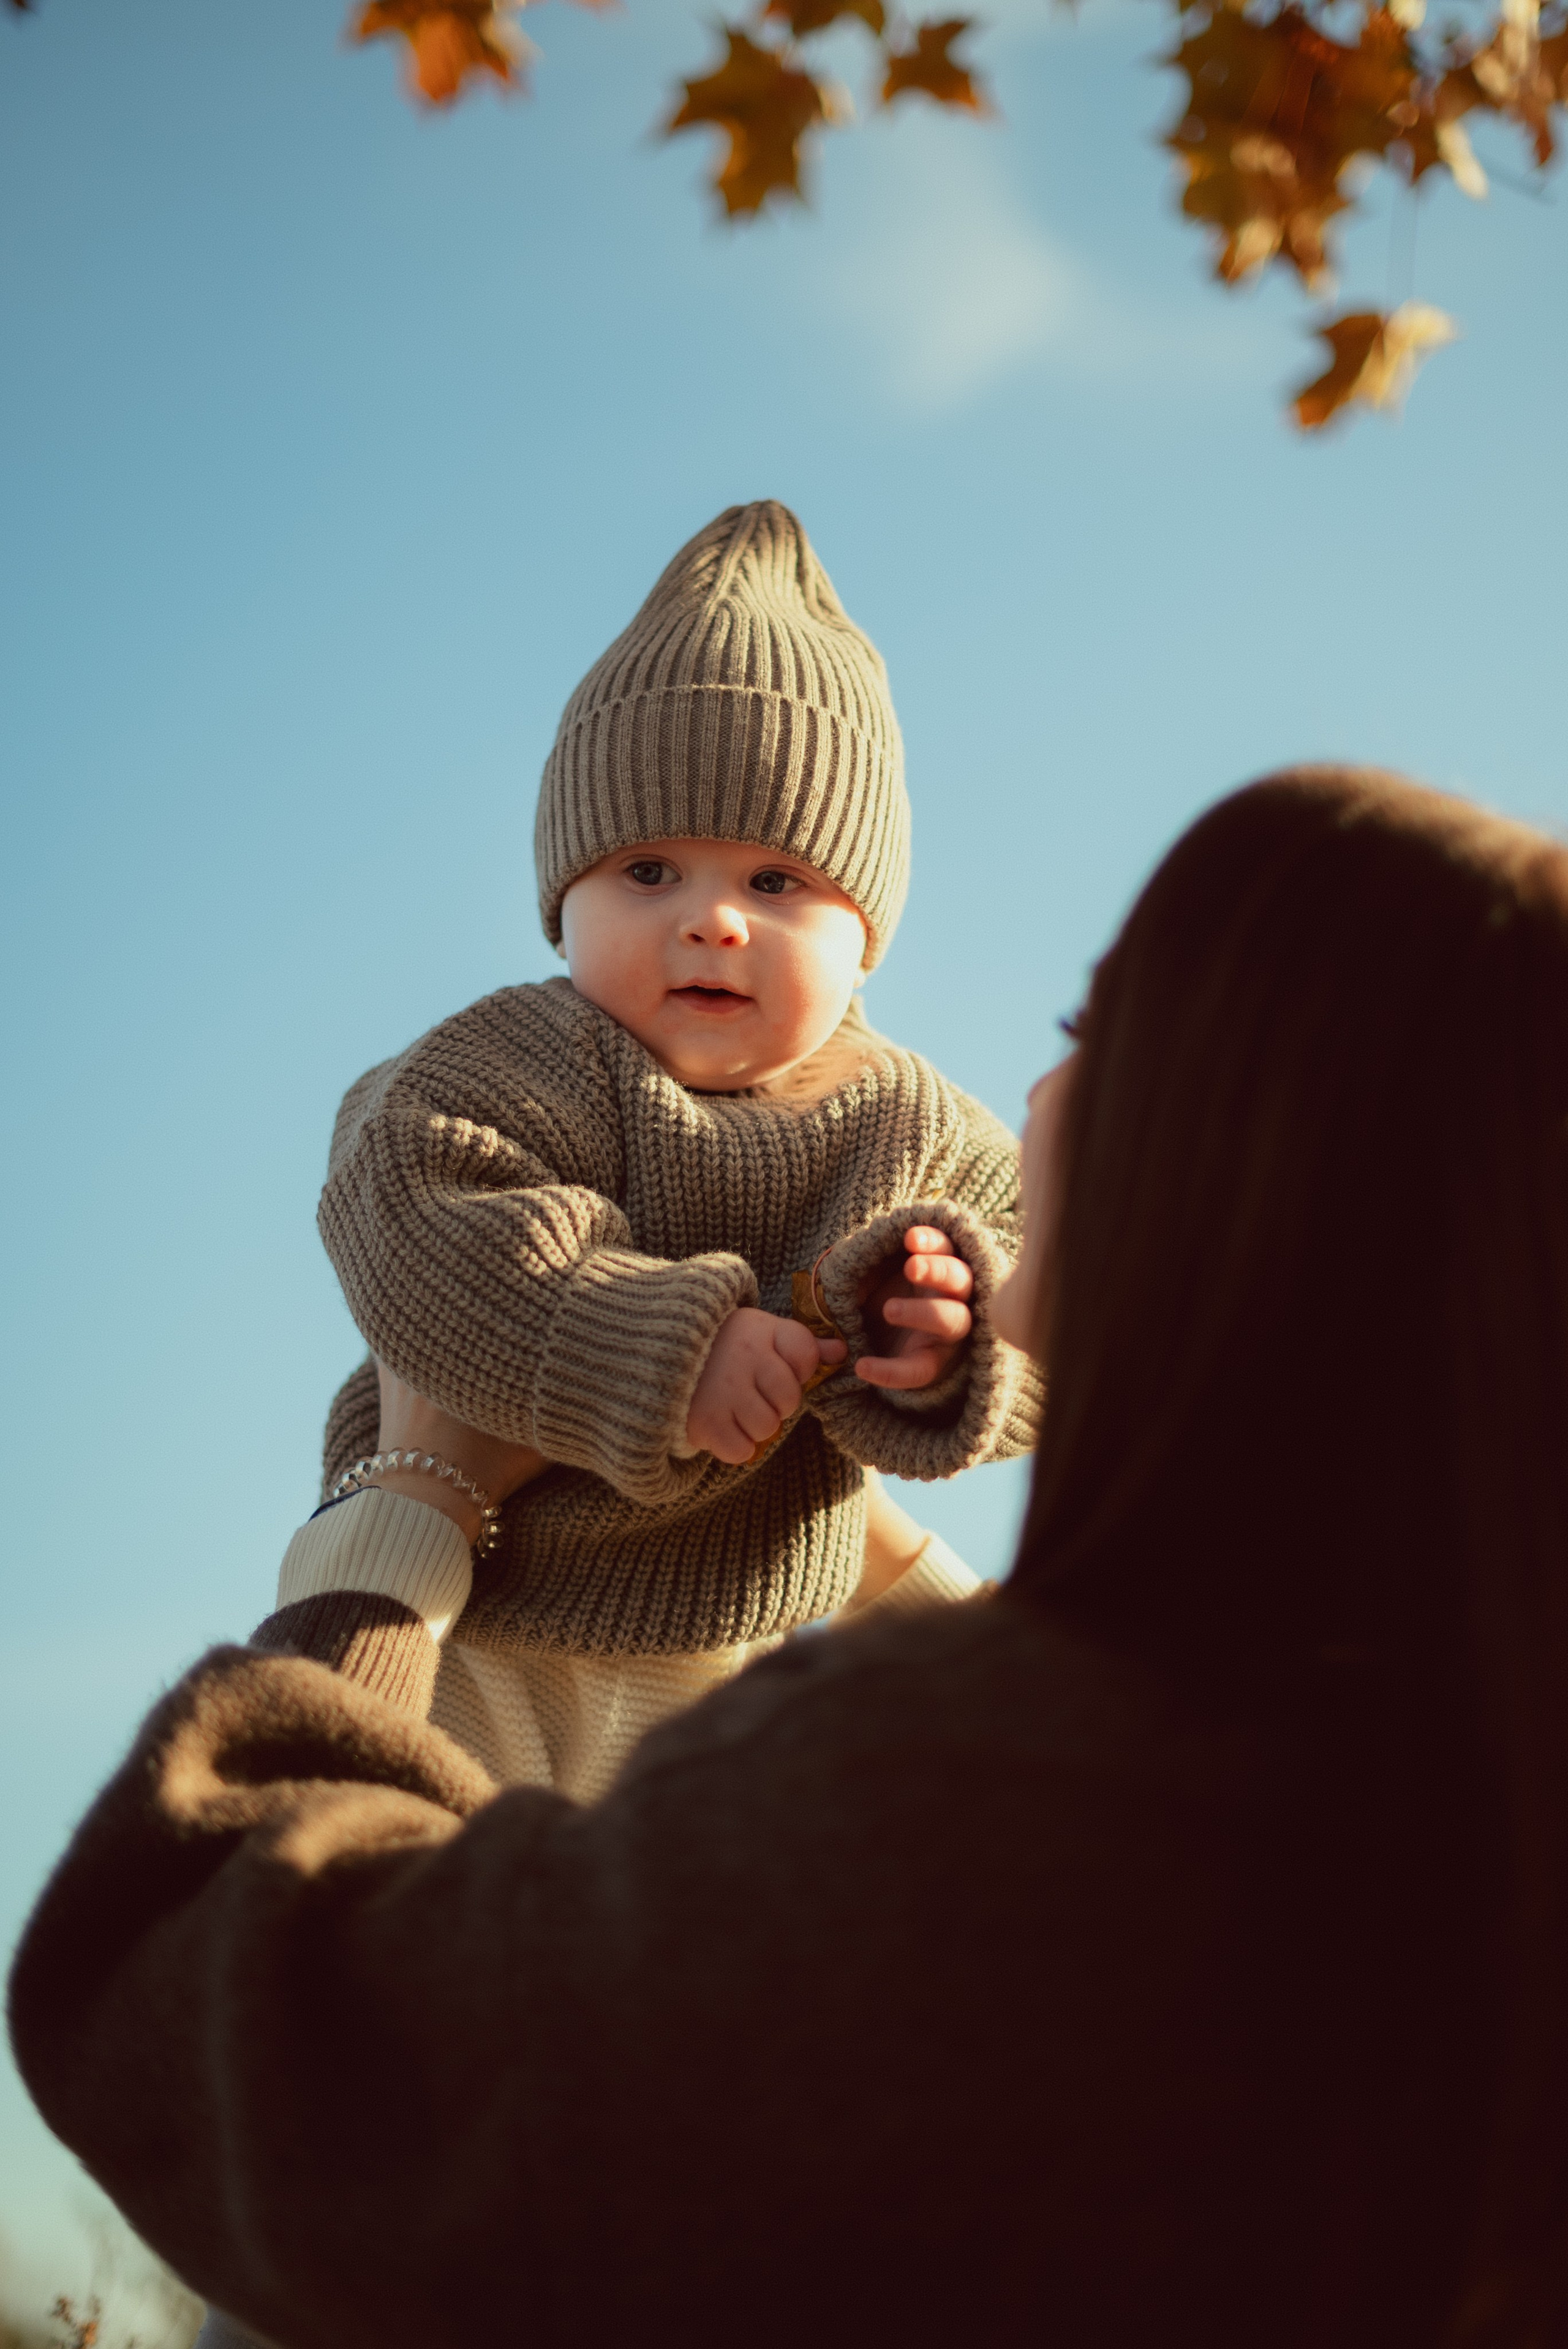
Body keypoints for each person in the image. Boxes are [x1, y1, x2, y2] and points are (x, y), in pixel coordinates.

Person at [14, 764, 1568, 2346]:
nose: (1030, 1097)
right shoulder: (1442, 1806)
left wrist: (411, 1501)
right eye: (649, 868)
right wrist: (854, 1531)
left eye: (1093, 1033)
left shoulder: (966, 1808)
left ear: (1235, 1146)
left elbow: (253, 2039)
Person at [307, 497, 1038, 1801]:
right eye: (647, 870)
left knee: (707, 1957)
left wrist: (938, 1343)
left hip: (754, 1648)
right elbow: (412, 1217)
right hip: (481, 1617)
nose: (710, 921)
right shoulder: (515, 1060)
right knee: (452, 1922)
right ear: (560, 903)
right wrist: (666, 1342)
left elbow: (1047, 1303)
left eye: (774, 883)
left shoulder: (908, 1122)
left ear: (864, 931)